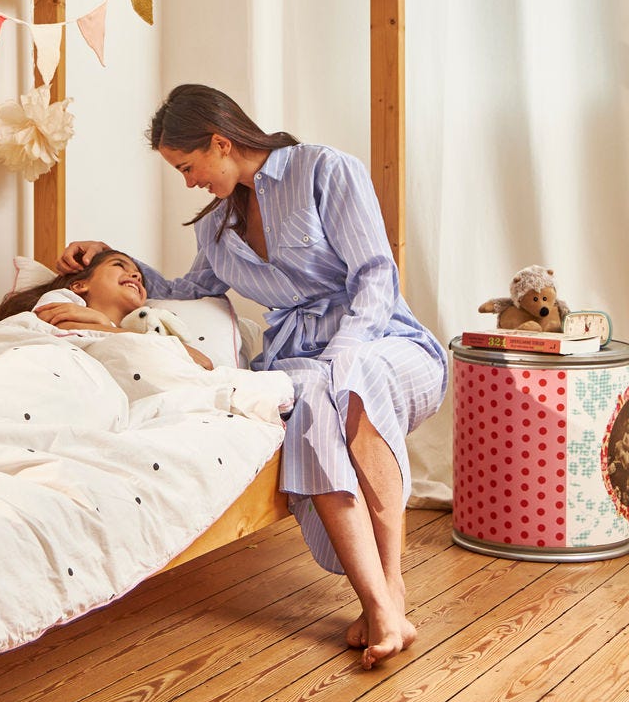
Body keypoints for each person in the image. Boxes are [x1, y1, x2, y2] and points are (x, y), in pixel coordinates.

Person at [57, 84, 445, 669]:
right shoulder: (214, 229)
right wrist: (110, 257)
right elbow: (187, 292)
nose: (188, 182)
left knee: (349, 382)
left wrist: (341, 354)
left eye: (188, 167)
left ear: (219, 143)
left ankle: (390, 589)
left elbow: (374, 278)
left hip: (383, 340)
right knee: (309, 392)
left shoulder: (324, 170)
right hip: (300, 362)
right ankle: (378, 603)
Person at [0, 247, 213, 370]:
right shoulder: (64, 298)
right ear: (80, 285)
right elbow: (54, 327)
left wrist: (105, 325)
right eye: (119, 265)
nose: (136, 275)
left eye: (139, 276)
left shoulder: (143, 330)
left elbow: (204, 364)